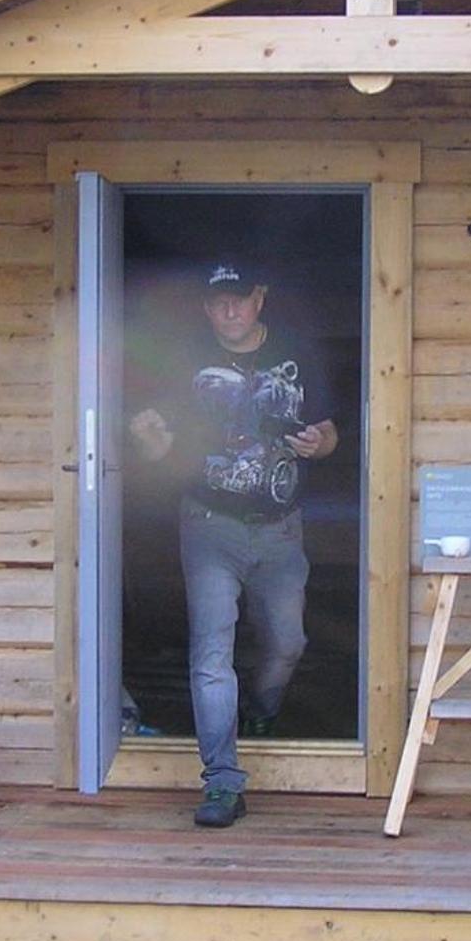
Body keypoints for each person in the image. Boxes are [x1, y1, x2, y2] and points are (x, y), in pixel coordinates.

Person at [128, 258, 338, 828]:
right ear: (206, 306)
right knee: (211, 655)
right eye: (219, 301)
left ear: (259, 299)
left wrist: (318, 443)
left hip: (281, 527)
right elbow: (162, 450)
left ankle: (262, 710)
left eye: (240, 299)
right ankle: (222, 782)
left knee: (288, 643)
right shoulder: (184, 362)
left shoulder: (296, 352)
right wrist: (148, 442)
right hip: (209, 524)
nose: (230, 310)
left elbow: (330, 432)